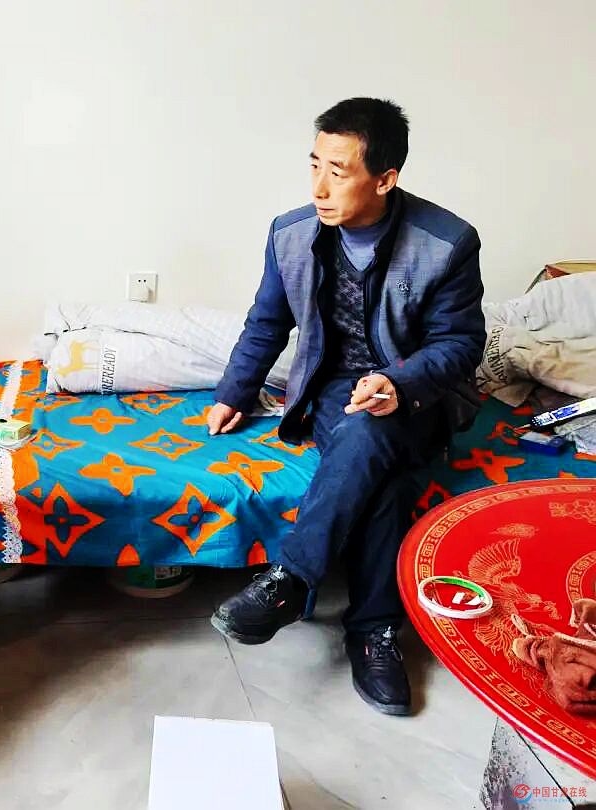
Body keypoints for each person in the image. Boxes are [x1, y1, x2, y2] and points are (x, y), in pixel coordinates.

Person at [207, 98, 485, 715]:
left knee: (370, 437)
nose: (319, 187)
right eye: (314, 165)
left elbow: (460, 343)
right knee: (381, 471)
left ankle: (290, 579)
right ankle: (374, 631)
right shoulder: (290, 233)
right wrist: (234, 392)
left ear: (385, 179)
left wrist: (397, 382)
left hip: (418, 389)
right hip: (332, 386)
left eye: (338, 171)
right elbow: (267, 322)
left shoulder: (447, 242)